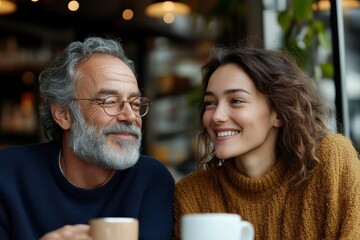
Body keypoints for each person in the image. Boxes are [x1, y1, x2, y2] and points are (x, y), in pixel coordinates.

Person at [173, 44, 360, 239]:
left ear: (278, 112)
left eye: (236, 100)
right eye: (210, 103)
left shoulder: (330, 160)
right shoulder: (192, 195)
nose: (217, 116)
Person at [0, 36, 175, 240]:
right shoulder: (7, 174)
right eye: (109, 101)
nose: (130, 116)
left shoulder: (150, 180)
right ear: (64, 114)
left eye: (135, 103)